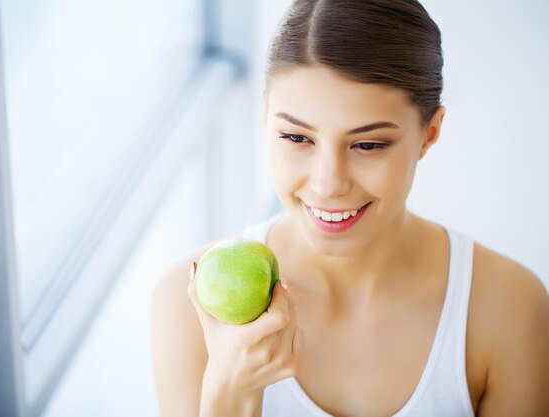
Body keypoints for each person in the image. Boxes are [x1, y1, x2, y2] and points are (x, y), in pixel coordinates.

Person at [151, 0, 549, 416]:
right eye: (296, 137)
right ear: (265, 116)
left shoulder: (508, 309)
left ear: (429, 134)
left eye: (368, 145)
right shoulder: (188, 303)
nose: (328, 183)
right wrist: (229, 394)